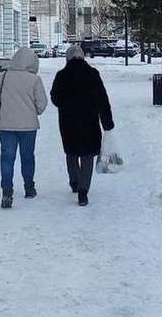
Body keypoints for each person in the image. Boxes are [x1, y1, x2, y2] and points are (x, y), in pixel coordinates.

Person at [49, 45, 114, 207]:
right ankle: (83, 190)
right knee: (87, 155)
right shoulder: (92, 74)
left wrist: (67, 102)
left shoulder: (62, 75)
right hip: (89, 121)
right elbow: (102, 99)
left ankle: (74, 182)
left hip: (68, 122)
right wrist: (107, 122)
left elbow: (55, 98)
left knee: (71, 153)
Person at [0, 46, 48, 209]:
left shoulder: (4, 76)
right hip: (28, 126)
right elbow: (42, 103)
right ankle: (29, 187)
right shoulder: (34, 79)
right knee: (27, 157)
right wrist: (33, 111)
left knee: (7, 158)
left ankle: (7, 192)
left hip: (6, 124)